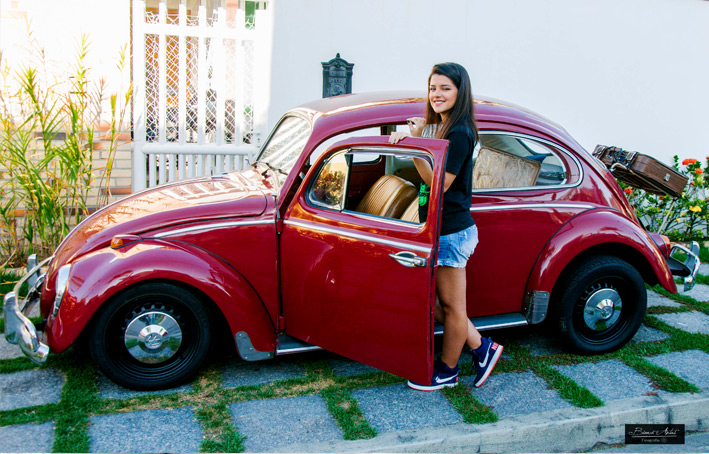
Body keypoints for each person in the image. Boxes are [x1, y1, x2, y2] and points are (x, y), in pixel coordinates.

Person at [390, 62, 503, 391]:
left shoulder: (459, 132)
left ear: (460, 91)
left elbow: (438, 183)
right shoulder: (442, 127)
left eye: (445, 89)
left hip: (452, 231)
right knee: (439, 304)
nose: (436, 94)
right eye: (432, 88)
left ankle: (448, 372)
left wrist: (412, 145)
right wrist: (422, 132)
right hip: (439, 229)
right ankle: (482, 347)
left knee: (453, 307)